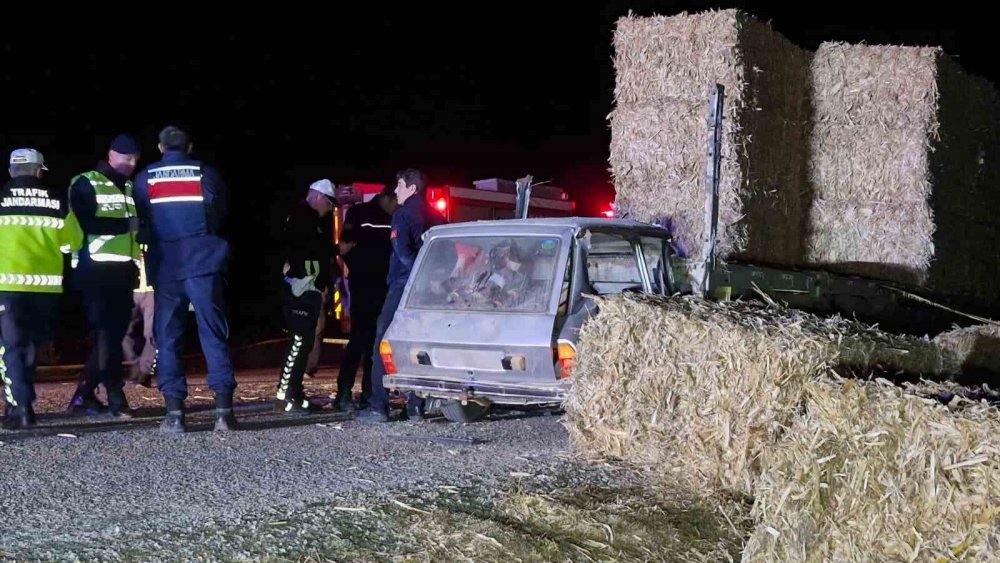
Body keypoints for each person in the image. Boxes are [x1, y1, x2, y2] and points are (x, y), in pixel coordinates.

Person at [133, 126, 238, 433]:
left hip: (167, 267)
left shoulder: (146, 177)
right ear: (189, 146)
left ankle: (175, 416)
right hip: (204, 262)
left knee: (168, 339)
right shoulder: (205, 173)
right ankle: (223, 413)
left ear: (160, 146)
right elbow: (219, 212)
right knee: (213, 334)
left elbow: (143, 220)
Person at [0, 148, 83, 430]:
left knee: (10, 348)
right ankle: (21, 404)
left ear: (11, 170)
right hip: (45, 290)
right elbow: (72, 243)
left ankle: (20, 407)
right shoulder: (58, 201)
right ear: (39, 171)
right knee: (31, 348)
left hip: (7, 286)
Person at [358, 168, 444, 423]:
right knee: (418, 346)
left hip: (404, 287)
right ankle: (416, 406)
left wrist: (414, 278)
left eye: (399, 186)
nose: (395, 191)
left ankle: (378, 406)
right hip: (430, 291)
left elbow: (402, 251)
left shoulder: (402, 215)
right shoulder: (438, 216)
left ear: (412, 188)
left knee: (382, 341)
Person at [66, 134, 142, 418]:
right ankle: (115, 399)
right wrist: (129, 225)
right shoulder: (85, 182)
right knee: (107, 336)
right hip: (95, 269)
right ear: (111, 155)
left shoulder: (131, 187)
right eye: (126, 158)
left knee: (109, 336)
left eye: (135, 159)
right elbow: (87, 222)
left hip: (123, 272)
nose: (131, 163)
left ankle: (83, 397)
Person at [273, 179, 337, 413]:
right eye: (329, 203)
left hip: (308, 289)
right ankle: (287, 396)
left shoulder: (309, 219)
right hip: (300, 290)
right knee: (298, 343)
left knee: (303, 343)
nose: (330, 209)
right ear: (318, 197)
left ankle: (294, 393)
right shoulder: (302, 217)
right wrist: (337, 250)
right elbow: (307, 250)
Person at [333, 185, 397, 411]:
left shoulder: (388, 216)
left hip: (379, 288)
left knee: (373, 344)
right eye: (395, 202)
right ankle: (346, 394)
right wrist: (360, 272)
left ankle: (366, 395)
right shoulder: (361, 214)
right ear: (388, 198)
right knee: (361, 341)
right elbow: (345, 247)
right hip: (367, 288)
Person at [122, 243, 156, 387]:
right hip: (131, 290)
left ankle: (144, 370)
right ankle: (134, 365)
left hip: (151, 291)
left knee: (152, 333)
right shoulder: (126, 236)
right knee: (123, 331)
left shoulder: (151, 235)